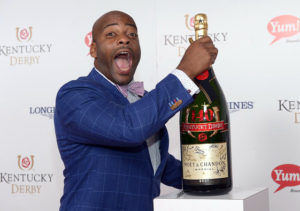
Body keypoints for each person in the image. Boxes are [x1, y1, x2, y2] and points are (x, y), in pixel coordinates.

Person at [54, 10, 217, 211]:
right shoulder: (74, 95)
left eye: (132, 35)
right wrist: (185, 71)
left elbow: (155, 161)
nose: (124, 40)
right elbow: (128, 128)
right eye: (111, 34)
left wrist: (210, 176)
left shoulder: (143, 99)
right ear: (94, 50)